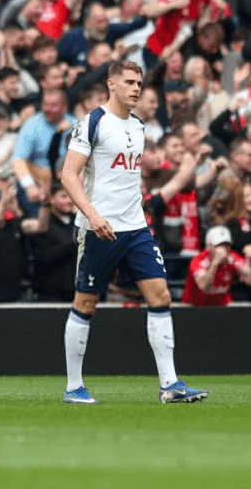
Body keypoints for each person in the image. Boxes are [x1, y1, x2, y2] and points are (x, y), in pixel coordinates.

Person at [61, 61, 208, 404]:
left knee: (161, 295)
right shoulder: (93, 122)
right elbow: (69, 175)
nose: (136, 88)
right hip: (100, 227)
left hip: (135, 226)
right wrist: (93, 215)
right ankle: (73, 386)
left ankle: (169, 384)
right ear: (111, 84)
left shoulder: (139, 126)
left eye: (139, 83)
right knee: (85, 302)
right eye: (128, 82)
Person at [182, 226, 251, 307]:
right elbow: (204, 286)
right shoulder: (198, 261)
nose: (224, 249)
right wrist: (215, 263)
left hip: (222, 305)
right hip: (195, 307)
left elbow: (248, 279)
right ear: (209, 247)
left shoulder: (231, 257)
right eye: (219, 245)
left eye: (227, 245)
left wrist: (248, 260)